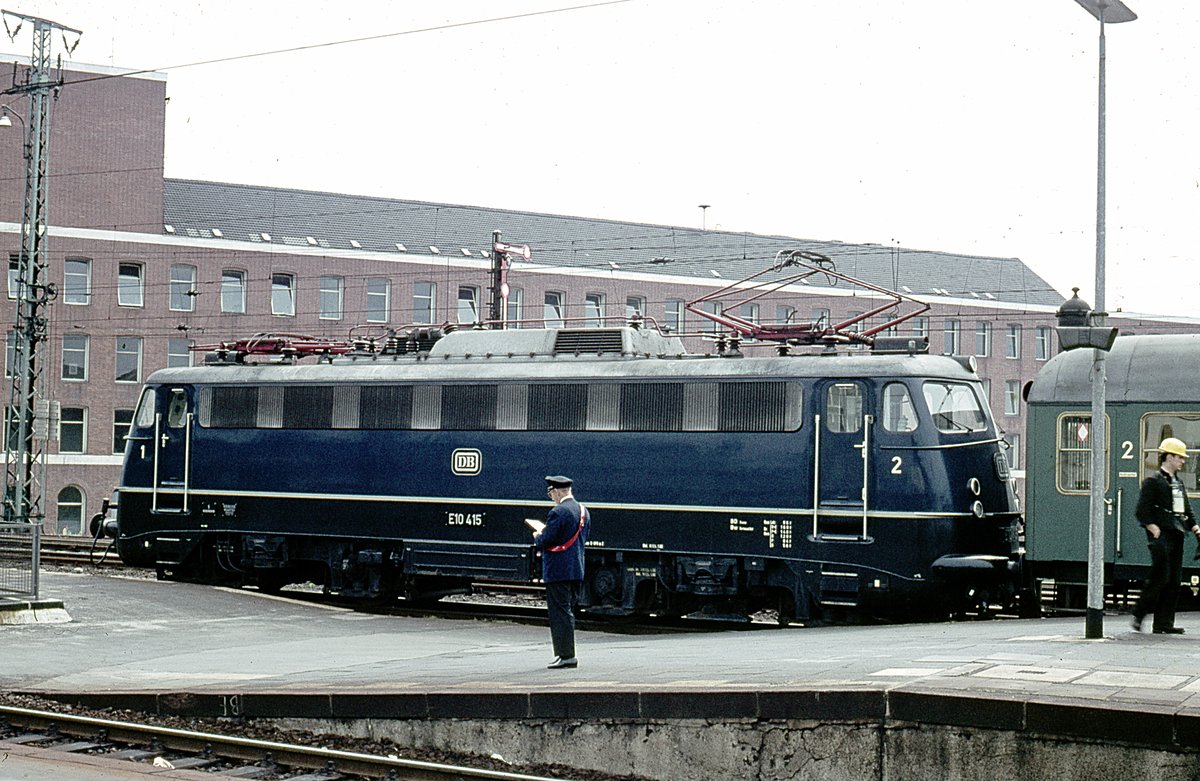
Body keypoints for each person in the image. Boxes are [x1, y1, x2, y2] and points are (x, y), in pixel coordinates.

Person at [1132, 437, 1200, 634]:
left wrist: (1194, 527)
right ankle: (1139, 613)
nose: (1183, 461)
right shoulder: (1153, 482)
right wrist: (1152, 527)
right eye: (1180, 457)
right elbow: (1141, 510)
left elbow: (1186, 509)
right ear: (1168, 457)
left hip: (1177, 535)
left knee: (1174, 581)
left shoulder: (1177, 483)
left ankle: (1164, 624)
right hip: (1161, 536)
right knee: (1160, 577)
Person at [531, 475, 589, 669]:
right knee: (568, 611)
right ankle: (564, 654)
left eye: (551, 493)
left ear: (556, 491)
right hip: (576, 569)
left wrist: (538, 535)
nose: (552, 497)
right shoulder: (583, 511)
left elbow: (547, 539)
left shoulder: (558, 512)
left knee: (559, 613)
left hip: (558, 571)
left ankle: (566, 656)